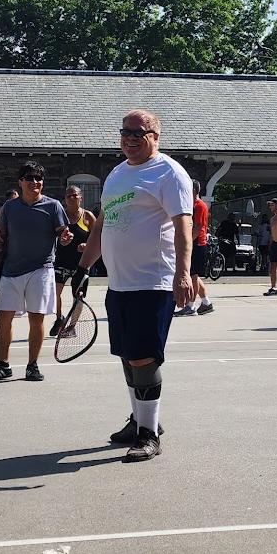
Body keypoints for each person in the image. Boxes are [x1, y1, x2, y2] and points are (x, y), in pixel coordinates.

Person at [77, 109, 193, 462]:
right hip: (120, 284)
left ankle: (149, 433)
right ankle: (140, 421)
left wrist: (184, 273)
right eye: (124, 131)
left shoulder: (169, 173)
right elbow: (101, 226)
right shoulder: (116, 174)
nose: (129, 137)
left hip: (152, 281)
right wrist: (83, 268)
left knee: (144, 357)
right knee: (129, 357)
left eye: (138, 132)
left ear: (155, 136)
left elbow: (183, 225)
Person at [0, 163, 72, 384]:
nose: (35, 182)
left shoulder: (53, 206)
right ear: (20, 182)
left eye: (39, 178)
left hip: (41, 269)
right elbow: (0, 239)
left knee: (36, 318)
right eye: (30, 178)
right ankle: (3, 365)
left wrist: (66, 238)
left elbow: (62, 234)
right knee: (3, 319)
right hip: (11, 271)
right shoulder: (10, 208)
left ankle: (32, 365)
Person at [53, 184, 96, 327]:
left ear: (81, 198)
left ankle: (72, 326)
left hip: (81, 263)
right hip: (61, 261)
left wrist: (87, 246)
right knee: (55, 293)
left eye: (75, 195)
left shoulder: (88, 216)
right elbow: (52, 235)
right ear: (65, 199)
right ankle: (59, 319)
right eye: (68, 196)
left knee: (78, 296)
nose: (71, 198)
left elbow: (97, 237)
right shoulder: (61, 215)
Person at [178, 181, 214, 316]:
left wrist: (187, 243)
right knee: (195, 276)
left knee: (192, 276)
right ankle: (206, 303)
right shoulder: (191, 205)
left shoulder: (199, 206)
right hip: (195, 244)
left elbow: (198, 227)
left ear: (194, 190)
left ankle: (190, 306)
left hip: (197, 244)